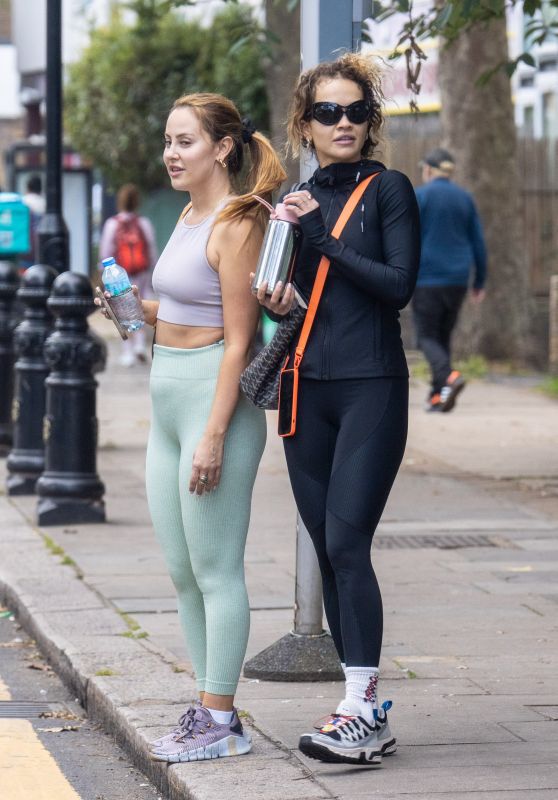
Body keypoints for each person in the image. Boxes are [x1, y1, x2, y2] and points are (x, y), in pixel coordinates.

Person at [98, 93, 285, 762]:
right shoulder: (186, 214)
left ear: (222, 148)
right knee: (181, 570)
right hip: (167, 396)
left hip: (212, 399)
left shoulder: (237, 222)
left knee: (215, 569)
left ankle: (222, 718)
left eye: (184, 141)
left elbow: (239, 340)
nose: (171, 153)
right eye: (169, 141)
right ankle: (207, 707)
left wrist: (213, 433)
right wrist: (135, 308)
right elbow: (179, 306)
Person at [255, 53, 420, 765]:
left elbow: (397, 286)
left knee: (350, 543)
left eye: (356, 111)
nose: (344, 122)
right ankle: (364, 711)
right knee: (326, 547)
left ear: (370, 121)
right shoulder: (295, 198)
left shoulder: (389, 191)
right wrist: (280, 295)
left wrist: (322, 238)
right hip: (305, 390)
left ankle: (359, 705)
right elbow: (299, 295)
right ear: (306, 123)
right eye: (328, 112)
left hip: (371, 387)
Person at [414, 147, 487, 412]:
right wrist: (479, 281)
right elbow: (478, 242)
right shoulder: (465, 199)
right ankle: (438, 396)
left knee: (425, 338)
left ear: (429, 170)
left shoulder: (420, 196)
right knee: (442, 337)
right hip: (458, 279)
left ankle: (449, 377)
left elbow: (407, 239)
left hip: (427, 279)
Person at [99, 183, 158, 366]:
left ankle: (128, 351)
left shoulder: (112, 224)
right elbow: (152, 250)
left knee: (123, 310)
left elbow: (105, 251)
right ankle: (139, 345)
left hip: (119, 274)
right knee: (139, 305)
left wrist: (105, 273)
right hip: (141, 272)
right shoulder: (143, 223)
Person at [21, 174, 45, 269]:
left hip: (26, 249)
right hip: (41, 249)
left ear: (28, 187)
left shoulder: (23, 202)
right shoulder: (45, 203)